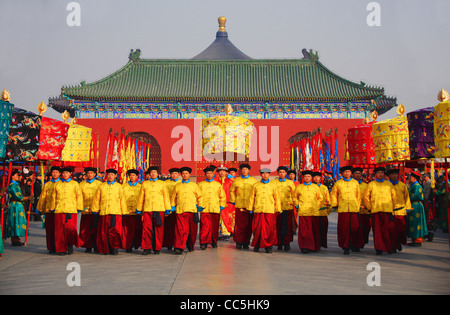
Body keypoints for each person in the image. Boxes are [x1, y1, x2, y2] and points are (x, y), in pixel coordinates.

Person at [91, 168, 128, 255]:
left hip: (115, 212)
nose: (110, 176)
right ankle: (105, 248)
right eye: (109, 175)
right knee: (104, 231)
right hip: (104, 211)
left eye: (112, 175)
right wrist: (95, 209)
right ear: (106, 176)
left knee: (115, 231)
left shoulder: (119, 186)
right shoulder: (101, 186)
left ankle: (114, 248)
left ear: (115, 176)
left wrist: (124, 211)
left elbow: (122, 199)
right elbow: (97, 198)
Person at [137, 166, 171, 255]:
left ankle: (157, 248)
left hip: (159, 209)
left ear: (158, 174)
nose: (153, 174)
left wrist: (168, 209)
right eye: (151, 172)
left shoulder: (162, 184)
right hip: (148, 209)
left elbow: (166, 196)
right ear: (149, 174)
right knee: (146, 229)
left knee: (158, 229)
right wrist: (139, 209)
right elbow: (141, 197)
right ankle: (146, 248)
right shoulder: (145, 184)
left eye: (155, 172)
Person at [50, 167, 84, 255]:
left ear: (70, 174)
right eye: (64, 173)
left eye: (67, 173)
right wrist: (52, 208)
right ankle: (61, 249)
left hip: (71, 209)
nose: (65, 175)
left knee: (71, 230)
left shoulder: (75, 184)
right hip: (59, 210)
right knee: (59, 231)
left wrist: (79, 207)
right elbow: (53, 197)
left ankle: (70, 245)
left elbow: (79, 196)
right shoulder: (58, 184)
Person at [363, 167, 397, 255]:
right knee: (377, 231)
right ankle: (379, 248)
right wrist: (370, 207)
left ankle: (388, 247)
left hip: (387, 210)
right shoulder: (371, 184)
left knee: (387, 230)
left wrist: (392, 206)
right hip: (376, 210)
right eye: (379, 173)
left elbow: (394, 197)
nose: (380, 174)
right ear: (376, 175)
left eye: (382, 173)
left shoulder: (389, 184)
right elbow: (366, 196)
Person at [170, 167, 204, 254]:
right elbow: (173, 197)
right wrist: (172, 206)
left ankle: (190, 245)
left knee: (192, 231)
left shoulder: (194, 185)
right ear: (181, 175)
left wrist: (200, 206)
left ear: (189, 175)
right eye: (183, 173)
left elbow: (200, 196)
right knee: (180, 230)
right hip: (181, 210)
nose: (185, 175)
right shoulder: (177, 185)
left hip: (192, 210)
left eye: (187, 173)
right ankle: (179, 247)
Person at [330, 166, 363, 255]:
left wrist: (357, 205)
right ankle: (345, 246)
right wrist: (335, 204)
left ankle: (354, 244)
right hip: (343, 208)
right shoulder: (338, 183)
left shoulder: (355, 183)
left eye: (348, 172)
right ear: (342, 173)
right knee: (344, 229)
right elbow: (333, 194)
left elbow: (358, 195)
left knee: (355, 227)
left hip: (353, 208)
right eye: (345, 172)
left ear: (350, 173)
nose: (347, 173)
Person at [247, 168, 281, 253]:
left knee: (269, 229)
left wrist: (278, 209)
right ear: (261, 175)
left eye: (266, 173)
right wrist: (250, 208)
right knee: (257, 229)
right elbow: (251, 197)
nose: (265, 175)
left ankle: (268, 246)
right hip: (258, 209)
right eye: (263, 173)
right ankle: (257, 244)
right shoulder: (256, 185)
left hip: (269, 210)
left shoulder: (273, 186)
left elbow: (277, 198)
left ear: (269, 175)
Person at [293, 170, 323, 254]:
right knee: (304, 231)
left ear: (311, 178)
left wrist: (317, 206)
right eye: (305, 176)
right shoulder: (299, 187)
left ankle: (315, 246)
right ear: (303, 178)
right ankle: (304, 246)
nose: (307, 178)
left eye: (309, 176)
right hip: (303, 211)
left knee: (314, 229)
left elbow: (320, 198)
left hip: (314, 211)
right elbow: (294, 197)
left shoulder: (315, 187)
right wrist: (298, 205)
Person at [229, 163, 257, 249]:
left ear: (249, 171)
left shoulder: (254, 181)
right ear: (241, 171)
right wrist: (233, 200)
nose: (244, 171)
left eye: (246, 169)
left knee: (248, 225)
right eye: (243, 169)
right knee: (239, 225)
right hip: (239, 205)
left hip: (249, 206)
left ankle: (246, 242)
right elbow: (231, 191)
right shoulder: (237, 180)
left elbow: (256, 193)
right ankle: (238, 241)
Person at [198, 167, 227, 250]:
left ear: (213, 174)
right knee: (204, 227)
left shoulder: (217, 185)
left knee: (214, 226)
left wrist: (222, 205)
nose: (209, 175)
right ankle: (203, 242)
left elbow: (223, 196)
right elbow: (197, 196)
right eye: (207, 173)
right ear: (205, 175)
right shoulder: (200, 184)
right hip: (204, 208)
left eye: (211, 173)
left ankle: (214, 241)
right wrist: (198, 205)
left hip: (215, 208)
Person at [36, 166, 61, 253]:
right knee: (50, 230)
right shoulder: (47, 184)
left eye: (56, 172)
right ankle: (51, 247)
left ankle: (59, 247)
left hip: (59, 210)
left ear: (59, 174)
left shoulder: (62, 184)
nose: (55, 174)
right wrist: (39, 208)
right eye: (53, 172)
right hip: (49, 210)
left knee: (58, 230)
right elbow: (43, 197)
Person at [387, 168, 411, 252]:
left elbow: (406, 197)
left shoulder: (402, 185)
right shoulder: (386, 185)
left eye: (396, 174)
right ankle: (393, 246)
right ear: (389, 176)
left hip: (401, 211)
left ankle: (399, 243)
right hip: (390, 211)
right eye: (392, 174)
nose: (394, 176)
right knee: (392, 231)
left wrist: (407, 208)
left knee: (401, 230)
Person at [271, 166, 295, 251]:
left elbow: (294, 195)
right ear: (278, 173)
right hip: (277, 208)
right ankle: (279, 243)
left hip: (287, 207)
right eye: (280, 172)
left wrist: (294, 204)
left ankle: (286, 243)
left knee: (287, 226)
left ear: (286, 173)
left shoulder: (290, 183)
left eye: (283, 172)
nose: (282, 174)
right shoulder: (273, 182)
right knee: (277, 226)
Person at [79, 167, 102, 253]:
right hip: (85, 210)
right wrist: (80, 207)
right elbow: (79, 197)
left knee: (95, 229)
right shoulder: (81, 184)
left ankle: (96, 245)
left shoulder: (99, 184)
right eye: (88, 173)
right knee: (85, 229)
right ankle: (87, 246)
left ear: (94, 174)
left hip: (95, 211)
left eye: (91, 173)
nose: (90, 175)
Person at [6, 169, 30, 246]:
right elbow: (18, 196)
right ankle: (14, 239)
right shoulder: (12, 186)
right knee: (15, 221)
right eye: (16, 175)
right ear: (12, 176)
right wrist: (27, 198)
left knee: (19, 221)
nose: (18, 176)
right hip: (15, 205)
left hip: (18, 205)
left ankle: (17, 238)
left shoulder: (16, 184)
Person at [122, 169, 142, 253]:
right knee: (127, 230)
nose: (132, 177)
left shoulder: (140, 186)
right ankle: (128, 246)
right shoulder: (123, 186)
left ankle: (136, 244)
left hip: (137, 212)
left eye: (133, 175)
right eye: (130, 175)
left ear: (136, 176)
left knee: (138, 229)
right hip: (127, 212)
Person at [407, 171, 428, 246]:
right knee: (413, 222)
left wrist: (407, 197)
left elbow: (415, 196)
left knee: (416, 222)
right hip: (413, 205)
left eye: (411, 177)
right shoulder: (413, 185)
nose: (409, 178)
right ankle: (414, 238)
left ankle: (417, 239)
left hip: (416, 205)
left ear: (414, 178)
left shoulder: (416, 186)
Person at [312, 171, 332, 249]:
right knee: (314, 230)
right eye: (315, 177)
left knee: (323, 230)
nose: (316, 178)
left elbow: (328, 200)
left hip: (322, 212)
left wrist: (328, 211)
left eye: (318, 177)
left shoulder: (324, 188)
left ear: (320, 178)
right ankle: (314, 244)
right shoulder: (310, 187)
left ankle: (321, 243)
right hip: (313, 212)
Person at [214, 165, 234, 241]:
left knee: (226, 218)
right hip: (217, 202)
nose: (222, 172)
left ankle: (226, 233)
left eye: (223, 171)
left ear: (226, 173)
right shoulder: (215, 181)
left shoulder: (230, 181)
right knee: (218, 218)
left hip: (227, 203)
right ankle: (219, 233)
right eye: (220, 171)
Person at [352, 167, 371, 247]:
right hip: (354, 210)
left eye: (359, 173)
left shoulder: (366, 185)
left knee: (365, 228)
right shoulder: (351, 185)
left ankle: (362, 242)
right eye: (356, 173)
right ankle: (354, 244)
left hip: (364, 210)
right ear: (353, 175)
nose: (358, 175)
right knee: (355, 228)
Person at [163, 167, 180, 250]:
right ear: (170, 175)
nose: (174, 175)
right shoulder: (165, 183)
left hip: (179, 207)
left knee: (178, 227)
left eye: (176, 173)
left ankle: (177, 244)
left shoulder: (181, 183)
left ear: (178, 174)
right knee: (169, 227)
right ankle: (168, 244)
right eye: (172, 174)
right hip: (168, 207)